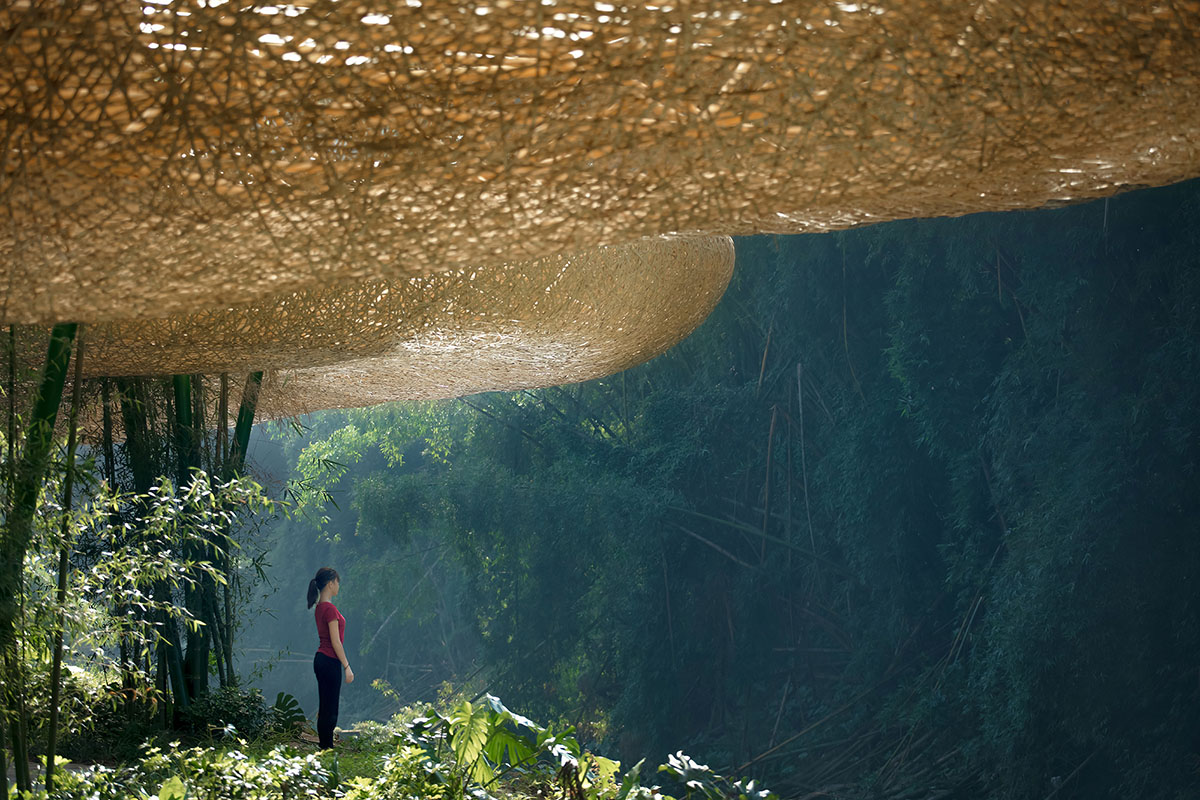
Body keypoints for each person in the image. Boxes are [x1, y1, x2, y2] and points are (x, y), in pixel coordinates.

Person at [306, 566, 354, 748]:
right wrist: (347, 666)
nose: (338, 586)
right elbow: (336, 642)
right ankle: (326, 748)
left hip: (321, 660)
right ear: (330, 583)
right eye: (337, 582)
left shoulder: (320, 608)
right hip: (329, 660)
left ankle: (324, 746)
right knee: (330, 708)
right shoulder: (330, 609)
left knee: (325, 706)